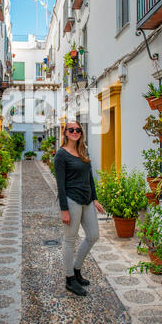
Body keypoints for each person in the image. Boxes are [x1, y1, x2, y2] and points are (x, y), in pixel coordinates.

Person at [54, 121, 105, 296]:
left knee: (93, 235)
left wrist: (95, 199)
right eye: (71, 130)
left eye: (78, 130)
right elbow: (60, 184)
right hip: (72, 200)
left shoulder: (84, 150)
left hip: (87, 200)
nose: (75, 132)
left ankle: (76, 269)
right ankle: (70, 279)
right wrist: (64, 209)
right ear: (66, 133)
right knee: (70, 240)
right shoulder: (61, 154)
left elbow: (89, 176)